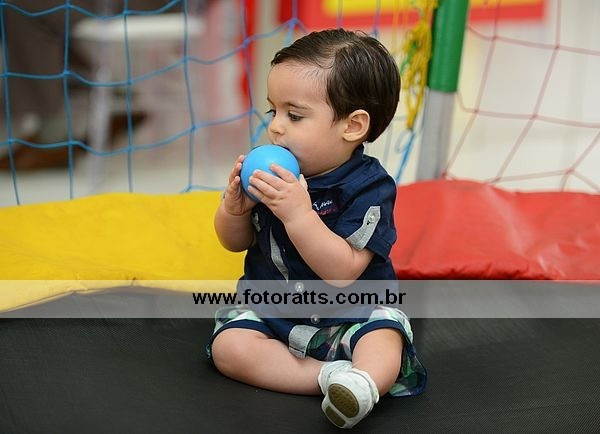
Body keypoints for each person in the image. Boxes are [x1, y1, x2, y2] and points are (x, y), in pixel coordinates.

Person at [209, 29, 426, 429]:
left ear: (352, 126)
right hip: (273, 313)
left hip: (352, 314)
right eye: (273, 111)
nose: (276, 128)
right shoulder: (273, 174)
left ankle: (363, 383)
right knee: (230, 347)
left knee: (384, 338)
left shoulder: (369, 188)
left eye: (294, 115)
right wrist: (233, 211)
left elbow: (343, 271)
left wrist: (298, 215)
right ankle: (329, 377)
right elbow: (233, 242)